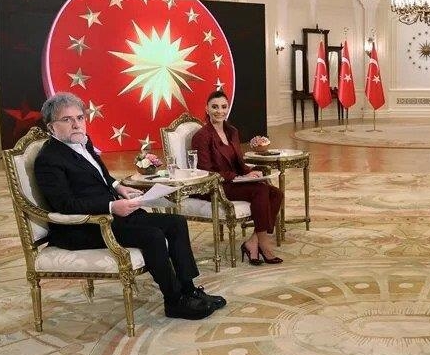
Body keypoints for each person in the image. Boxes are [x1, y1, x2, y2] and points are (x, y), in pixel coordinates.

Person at [34, 92, 225, 320]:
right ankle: (174, 301)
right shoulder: (49, 159)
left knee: (176, 222)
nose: (76, 124)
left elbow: (100, 174)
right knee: (152, 235)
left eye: (80, 118)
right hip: (82, 227)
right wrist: (111, 206)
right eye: (67, 119)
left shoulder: (82, 142)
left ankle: (188, 289)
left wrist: (118, 186)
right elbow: (64, 204)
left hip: (111, 215)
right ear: (51, 127)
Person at [191, 90, 283, 265]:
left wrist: (249, 172)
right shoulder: (201, 136)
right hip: (216, 185)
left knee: (276, 193)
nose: (220, 111)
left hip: (235, 181)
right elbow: (204, 171)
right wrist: (236, 177)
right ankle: (264, 244)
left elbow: (238, 162)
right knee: (260, 191)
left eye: (223, 107)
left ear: (228, 108)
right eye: (215, 107)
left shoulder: (232, 131)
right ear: (207, 109)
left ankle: (253, 241)